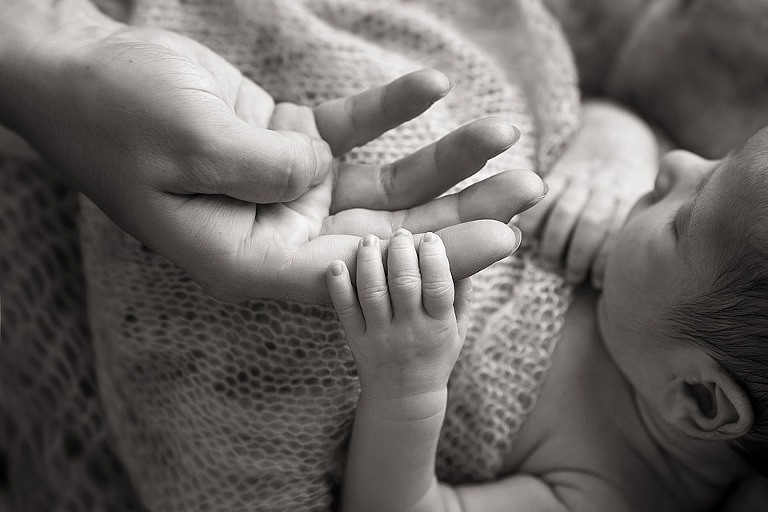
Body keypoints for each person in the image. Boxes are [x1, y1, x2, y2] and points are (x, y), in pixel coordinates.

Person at [330, 122, 768, 512]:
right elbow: (609, 111)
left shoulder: (610, 490)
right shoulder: (653, 272)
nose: (676, 161)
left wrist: (405, 386)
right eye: (718, 160)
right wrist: (615, 152)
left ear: (700, 398)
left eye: (680, 222)